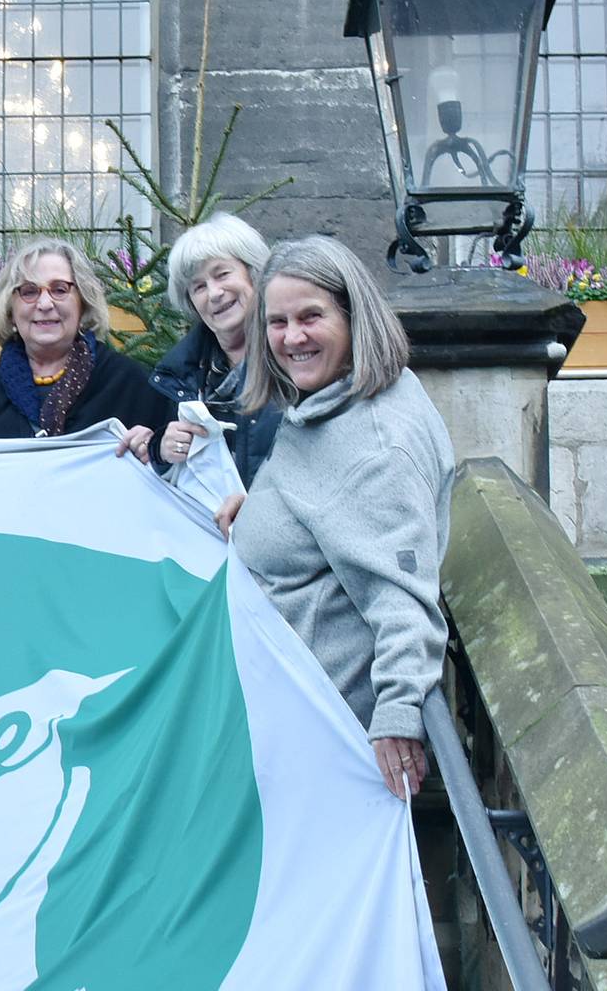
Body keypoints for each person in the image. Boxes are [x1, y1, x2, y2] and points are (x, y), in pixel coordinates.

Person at [213, 236, 456, 803]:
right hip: (278, 721)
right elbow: (330, 511)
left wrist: (397, 716)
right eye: (276, 322)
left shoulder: (376, 445)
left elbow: (402, 596)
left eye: (310, 317)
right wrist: (265, 511)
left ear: (354, 316)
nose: (291, 337)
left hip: (319, 744)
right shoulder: (332, 402)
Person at [0, 238, 173, 454]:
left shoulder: (129, 384)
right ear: (10, 308)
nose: (45, 304)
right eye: (29, 291)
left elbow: (178, 472)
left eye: (59, 289)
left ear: (82, 302)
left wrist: (155, 449)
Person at [150, 214, 283, 483]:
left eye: (222, 274)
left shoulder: (290, 357)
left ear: (254, 275)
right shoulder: (182, 373)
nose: (214, 293)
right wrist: (162, 449)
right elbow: (165, 460)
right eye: (199, 287)